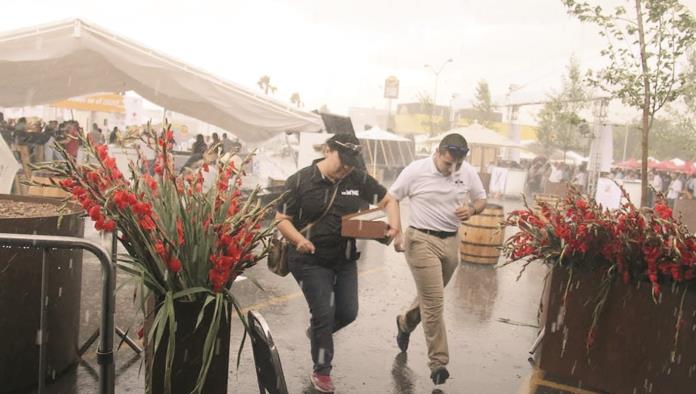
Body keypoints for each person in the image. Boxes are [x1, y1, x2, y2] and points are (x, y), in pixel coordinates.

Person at [275, 133, 401, 393]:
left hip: (343, 258)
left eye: (351, 163)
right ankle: (322, 371)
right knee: (324, 312)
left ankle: (319, 332)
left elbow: (389, 200)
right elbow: (281, 219)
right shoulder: (299, 180)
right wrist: (298, 240)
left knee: (347, 312)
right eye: (341, 161)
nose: (346, 167)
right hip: (308, 259)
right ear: (326, 150)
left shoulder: (357, 178)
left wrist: (395, 228)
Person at [389, 133, 487, 386]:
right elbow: (392, 198)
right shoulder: (415, 171)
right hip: (421, 240)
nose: (452, 169)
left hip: (451, 242)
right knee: (434, 303)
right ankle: (438, 363)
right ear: (438, 152)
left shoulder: (467, 171)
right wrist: (397, 231)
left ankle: (405, 322)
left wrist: (473, 209)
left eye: (457, 164)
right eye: (447, 163)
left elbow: (481, 199)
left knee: (428, 297)